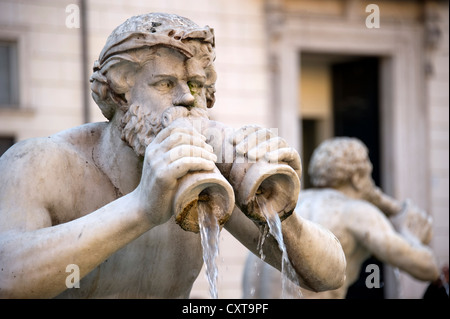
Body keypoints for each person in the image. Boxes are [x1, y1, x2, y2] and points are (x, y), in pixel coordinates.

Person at [0, 13, 346, 298]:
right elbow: (7, 277)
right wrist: (141, 208)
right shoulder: (40, 162)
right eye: (165, 83)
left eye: (196, 86)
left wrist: (279, 209)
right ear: (118, 94)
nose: (186, 98)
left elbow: (329, 275)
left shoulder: (211, 173)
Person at [243, 137, 440, 299]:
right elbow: (427, 268)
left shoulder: (287, 203)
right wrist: (409, 232)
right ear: (357, 178)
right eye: (369, 174)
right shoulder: (355, 211)